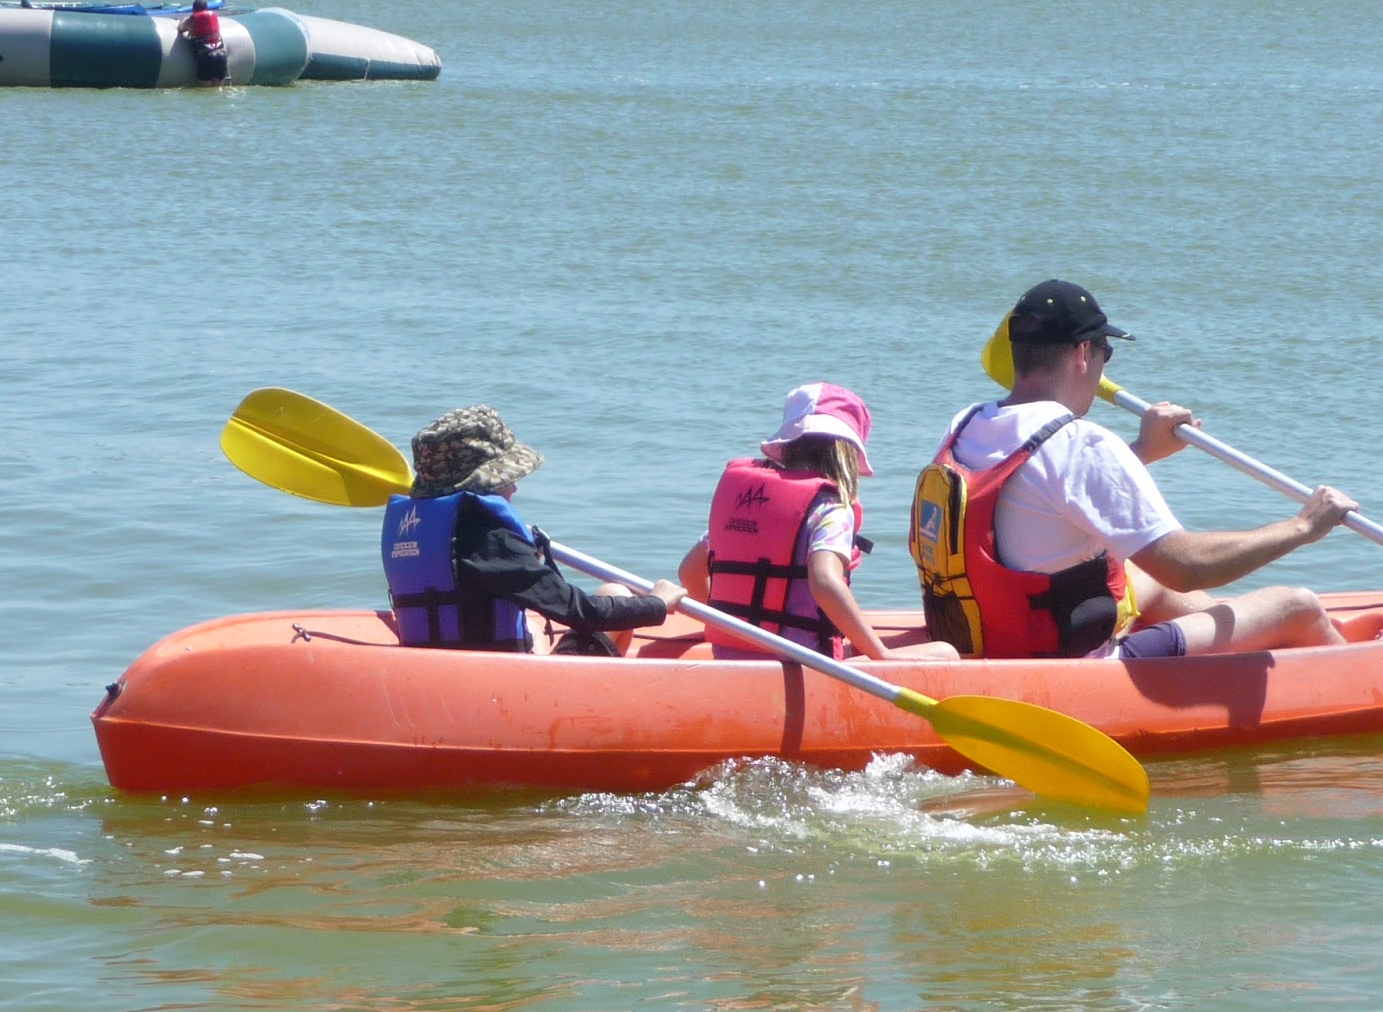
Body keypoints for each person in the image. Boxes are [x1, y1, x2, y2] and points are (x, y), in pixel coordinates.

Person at [911, 278, 1357, 660]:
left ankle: (1238, 644)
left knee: (1145, 581)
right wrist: (1303, 526)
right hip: (1075, 668)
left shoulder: (966, 423)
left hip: (989, 637)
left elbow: (1037, 495)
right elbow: (1186, 566)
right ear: (1083, 353)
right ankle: (1350, 681)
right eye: (1105, 352)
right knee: (1298, 605)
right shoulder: (1082, 444)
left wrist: (1142, 450)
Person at [679, 383, 958, 662]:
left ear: (786, 445)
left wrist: (732, 627)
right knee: (946, 651)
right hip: (805, 664)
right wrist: (880, 654)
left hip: (731, 656)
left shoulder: (749, 502)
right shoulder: (829, 508)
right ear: (849, 454)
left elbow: (689, 572)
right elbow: (824, 581)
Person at [381, 405, 685, 655]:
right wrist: (655, 604)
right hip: (497, 685)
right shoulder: (490, 538)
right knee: (615, 592)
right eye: (505, 479)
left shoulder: (422, 527)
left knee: (533, 628)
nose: (513, 487)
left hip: (434, 669)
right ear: (482, 484)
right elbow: (578, 611)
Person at [177, 0, 229, 86]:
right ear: (207, 7)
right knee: (218, 88)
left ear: (194, 9)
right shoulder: (214, 16)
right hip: (222, 55)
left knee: (205, 89)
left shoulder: (194, 18)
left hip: (207, 57)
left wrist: (182, 20)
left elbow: (181, 28)